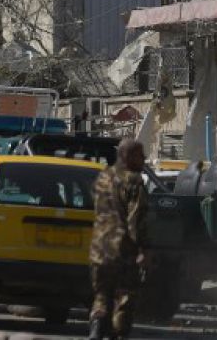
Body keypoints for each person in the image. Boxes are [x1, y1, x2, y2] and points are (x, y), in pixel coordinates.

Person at [88, 138, 148, 340]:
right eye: (140, 155)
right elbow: (135, 219)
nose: (144, 159)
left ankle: (96, 330)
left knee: (102, 294)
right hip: (123, 249)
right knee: (124, 295)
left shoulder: (103, 177)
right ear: (127, 156)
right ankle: (118, 335)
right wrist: (142, 250)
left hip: (100, 248)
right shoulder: (134, 181)